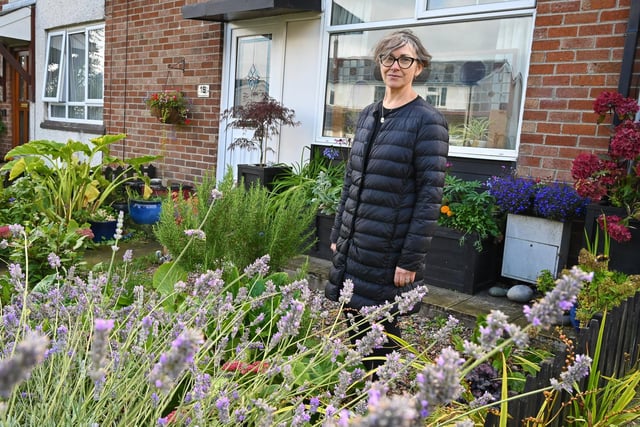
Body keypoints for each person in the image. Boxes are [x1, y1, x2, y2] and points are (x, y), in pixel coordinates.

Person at [325, 29, 449, 377]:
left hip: (389, 250)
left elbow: (429, 196)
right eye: (388, 58)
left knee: (380, 331)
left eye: (405, 59)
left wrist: (410, 259)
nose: (395, 66)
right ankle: (365, 393)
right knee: (354, 320)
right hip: (356, 244)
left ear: (418, 67)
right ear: (380, 64)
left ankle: (379, 398)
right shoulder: (368, 114)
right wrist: (339, 232)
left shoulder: (428, 121)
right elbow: (352, 180)